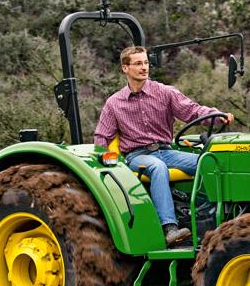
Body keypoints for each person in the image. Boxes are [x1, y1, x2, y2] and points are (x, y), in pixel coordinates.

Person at [94, 46, 233, 245]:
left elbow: (192, 111)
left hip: (166, 151)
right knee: (156, 167)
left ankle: (213, 219)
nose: (144, 67)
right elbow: (101, 137)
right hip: (137, 155)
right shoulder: (114, 103)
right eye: (138, 63)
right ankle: (170, 228)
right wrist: (106, 164)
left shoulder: (164, 92)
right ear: (125, 68)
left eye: (146, 63)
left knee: (207, 163)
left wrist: (217, 116)